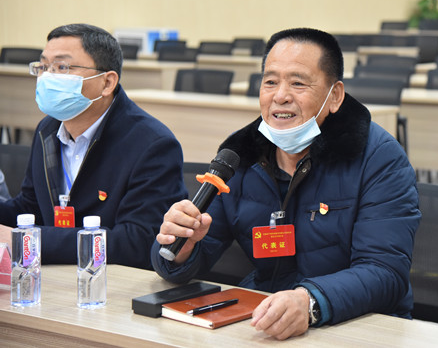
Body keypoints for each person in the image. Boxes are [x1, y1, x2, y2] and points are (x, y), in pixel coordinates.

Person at [152, 27, 420, 340]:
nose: (280, 96)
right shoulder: (240, 155)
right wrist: (181, 247)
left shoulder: (379, 158)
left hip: (361, 326)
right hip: (267, 318)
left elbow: (385, 272)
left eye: (298, 83)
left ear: (335, 96)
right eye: (270, 82)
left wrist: (309, 302)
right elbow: (190, 256)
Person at [0, 23, 187, 269]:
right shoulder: (47, 129)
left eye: (62, 67)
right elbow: (30, 207)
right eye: (43, 67)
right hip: (55, 277)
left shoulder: (152, 144)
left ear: (107, 83)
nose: (47, 77)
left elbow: (137, 242)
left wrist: (29, 241)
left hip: (112, 282)